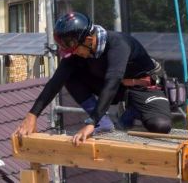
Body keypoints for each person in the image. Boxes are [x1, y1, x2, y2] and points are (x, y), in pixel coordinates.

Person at [15, 11, 172, 145]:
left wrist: (91, 122)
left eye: (76, 50)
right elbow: (55, 81)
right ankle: (104, 122)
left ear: (89, 40)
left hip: (144, 89)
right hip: (118, 91)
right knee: (68, 75)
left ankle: (133, 111)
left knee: (160, 126)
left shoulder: (118, 44)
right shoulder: (79, 49)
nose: (75, 54)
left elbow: (113, 80)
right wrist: (32, 114)